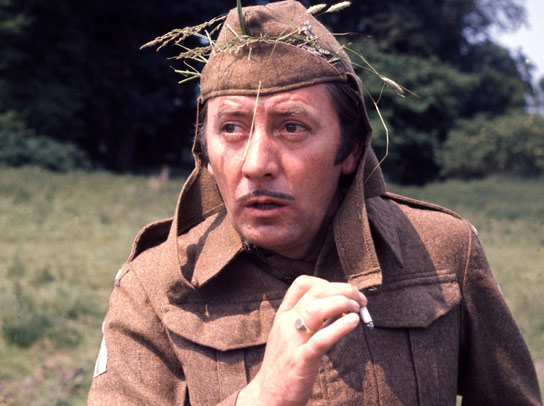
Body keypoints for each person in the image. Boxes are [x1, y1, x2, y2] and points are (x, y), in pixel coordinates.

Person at [88, 1, 542, 405]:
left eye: (292, 127)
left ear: (350, 150)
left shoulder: (443, 251)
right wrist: (264, 397)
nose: (256, 165)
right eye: (231, 128)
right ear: (204, 153)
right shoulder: (152, 287)